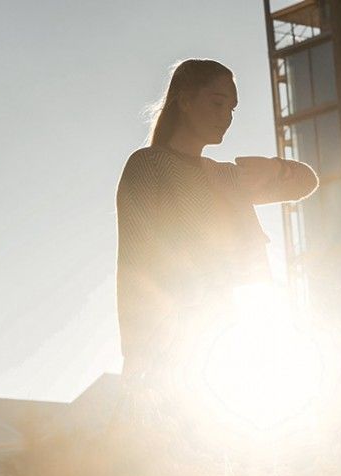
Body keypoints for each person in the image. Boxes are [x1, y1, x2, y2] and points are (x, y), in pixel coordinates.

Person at [117, 59, 318, 381]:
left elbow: (306, 183)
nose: (226, 117)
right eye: (217, 103)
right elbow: (135, 264)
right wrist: (138, 357)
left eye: (233, 109)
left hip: (233, 341)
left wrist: (276, 167)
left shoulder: (225, 176)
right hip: (172, 345)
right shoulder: (149, 164)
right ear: (184, 101)